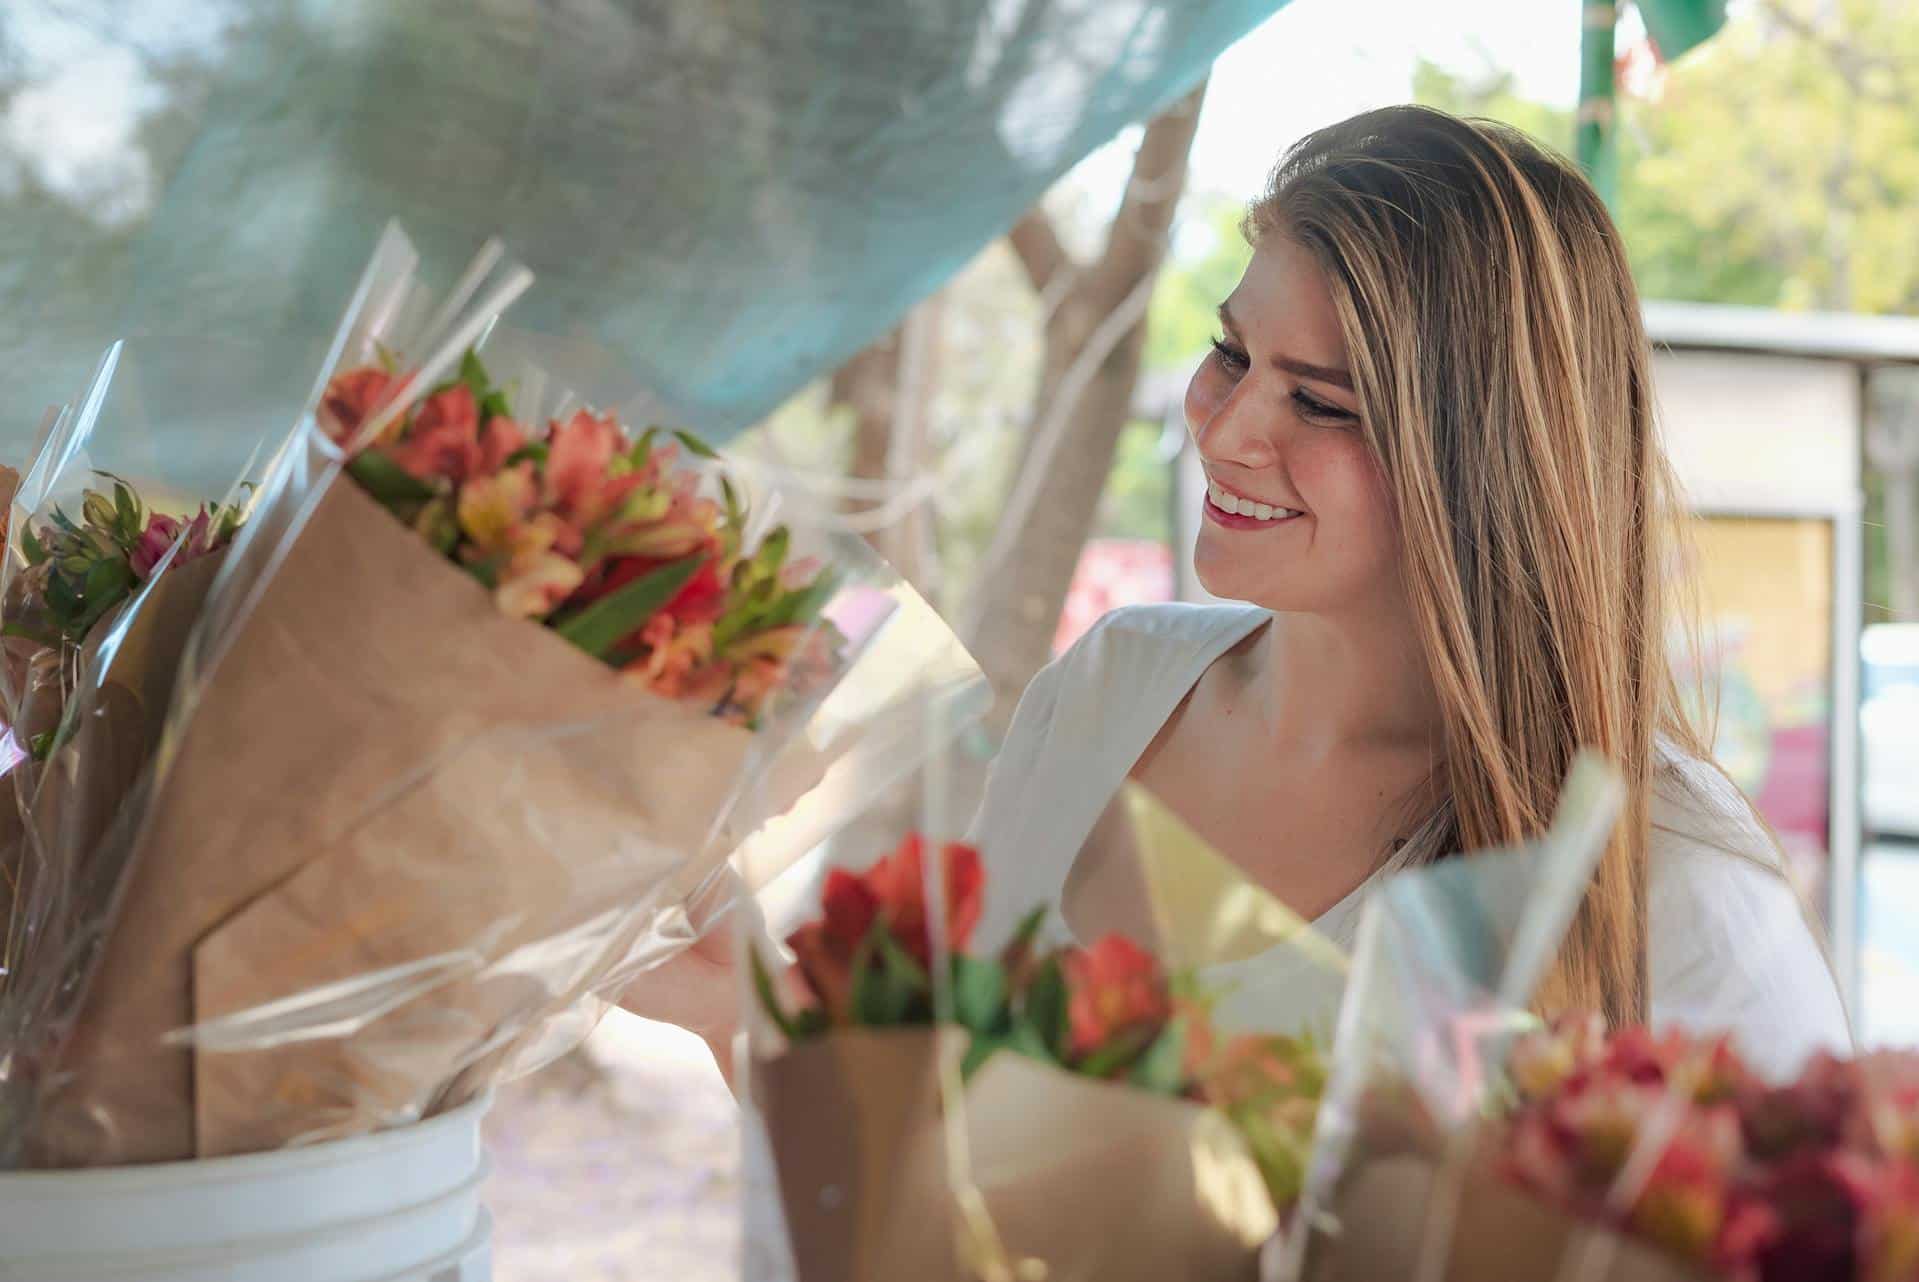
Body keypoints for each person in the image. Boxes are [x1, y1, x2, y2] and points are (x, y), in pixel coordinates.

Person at [628, 104, 1849, 1083]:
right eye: (1229, 353)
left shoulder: (1670, 882)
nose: (1223, 430)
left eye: (1319, 401)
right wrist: (747, 1010)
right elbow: (931, 1159)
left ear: (1489, 461)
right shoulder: (1106, 685)